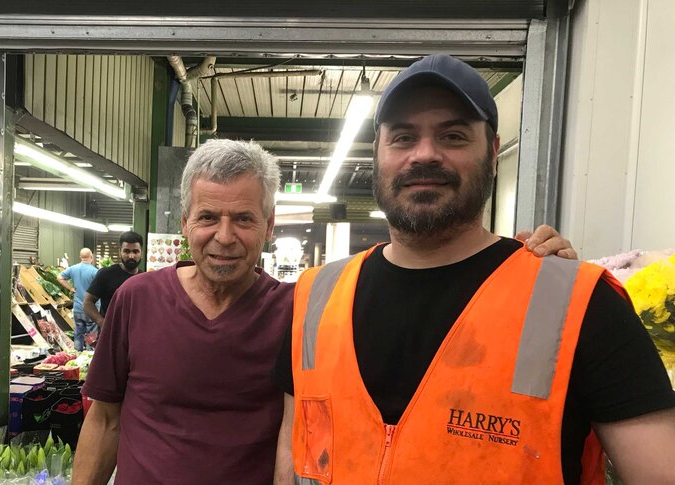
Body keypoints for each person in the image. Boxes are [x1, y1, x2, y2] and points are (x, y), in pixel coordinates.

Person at [72, 139, 575, 485]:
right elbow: (105, 421)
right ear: (185, 223)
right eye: (208, 217)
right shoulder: (138, 298)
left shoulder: (304, 310)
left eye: (244, 218)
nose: (224, 237)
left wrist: (519, 265)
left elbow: (419, 312)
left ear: (269, 226)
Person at [272, 54, 675, 484]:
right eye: (403, 137)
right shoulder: (315, 297)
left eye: (453, 136)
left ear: (494, 152)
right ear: (378, 153)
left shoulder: (579, 303)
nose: (425, 154)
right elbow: (294, 454)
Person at [82, 231, 143, 329]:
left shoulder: (144, 279)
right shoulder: (106, 274)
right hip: (109, 337)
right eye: (126, 251)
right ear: (120, 252)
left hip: (134, 336)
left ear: (141, 254)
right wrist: (102, 322)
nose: (131, 256)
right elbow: (87, 303)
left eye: (135, 251)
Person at [57, 248, 100, 351]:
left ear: (80, 257)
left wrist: (71, 288)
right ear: (91, 257)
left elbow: (59, 277)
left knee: (78, 333)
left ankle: (77, 355)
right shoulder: (95, 271)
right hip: (92, 309)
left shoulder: (73, 269)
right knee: (91, 335)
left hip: (77, 308)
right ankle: (89, 358)